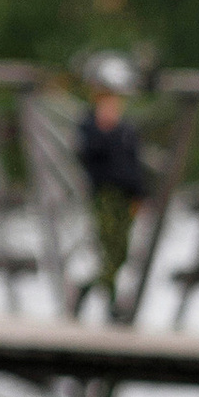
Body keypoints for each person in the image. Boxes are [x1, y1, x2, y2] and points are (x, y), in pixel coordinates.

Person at [75, 54, 155, 309]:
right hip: (105, 195)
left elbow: (134, 165)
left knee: (121, 251)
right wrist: (103, 130)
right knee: (109, 249)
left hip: (127, 196)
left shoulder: (127, 128)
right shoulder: (90, 126)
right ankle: (112, 305)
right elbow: (87, 157)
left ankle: (89, 290)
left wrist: (140, 195)